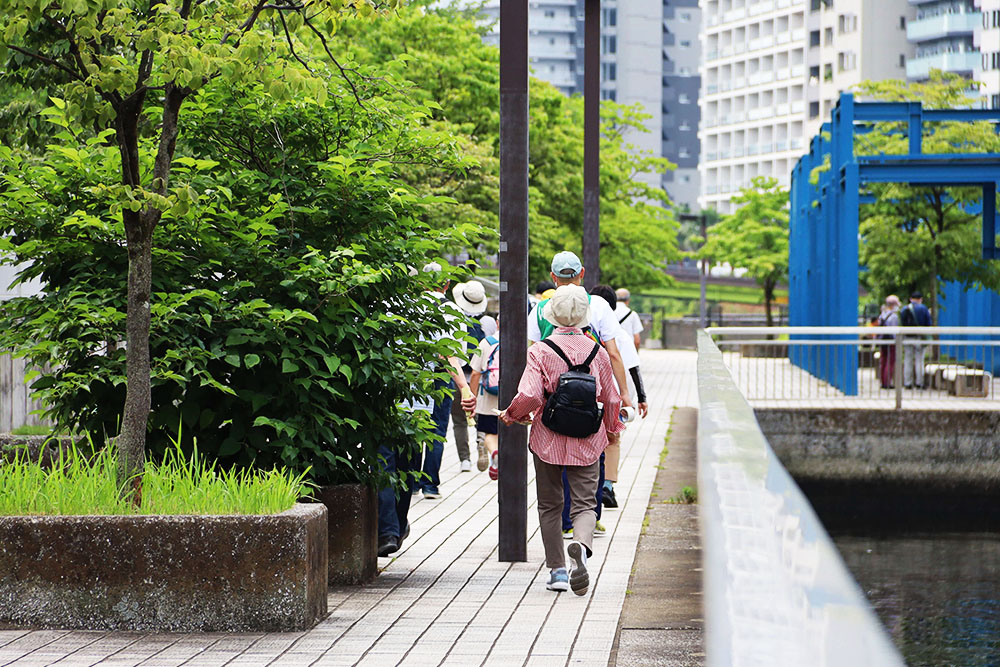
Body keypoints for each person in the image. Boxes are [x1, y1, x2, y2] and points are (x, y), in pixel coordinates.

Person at [500, 285, 625, 595]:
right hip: (587, 437)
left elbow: (530, 393)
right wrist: (611, 429)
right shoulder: (597, 351)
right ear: (585, 316)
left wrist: (514, 414)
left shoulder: (540, 351)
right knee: (585, 503)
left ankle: (556, 571)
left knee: (550, 504)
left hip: (548, 436)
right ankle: (580, 547)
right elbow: (611, 398)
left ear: (551, 315)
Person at [377, 266, 475, 556]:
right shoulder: (445, 313)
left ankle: (389, 530)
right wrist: (464, 388)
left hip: (384, 401)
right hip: (417, 403)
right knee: (408, 464)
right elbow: (446, 354)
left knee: (384, 463)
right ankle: (396, 525)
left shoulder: (386, 305)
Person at [529, 251, 633, 412]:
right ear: (582, 273)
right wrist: (624, 392)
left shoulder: (540, 309)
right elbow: (613, 353)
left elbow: (534, 358)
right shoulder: (599, 305)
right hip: (591, 393)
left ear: (553, 277)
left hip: (551, 398)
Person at [588, 285, 648, 511]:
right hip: (613, 395)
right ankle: (607, 486)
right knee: (612, 440)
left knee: (590, 438)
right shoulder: (620, 336)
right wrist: (639, 397)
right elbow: (633, 367)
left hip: (588, 392)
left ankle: (591, 486)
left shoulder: (584, 330)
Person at [418, 263, 474, 499]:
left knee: (413, 426)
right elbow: (455, 354)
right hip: (442, 376)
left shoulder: (411, 308)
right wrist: (464, 387)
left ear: (421, 283)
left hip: (414, 375)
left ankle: (409, 480)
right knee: (437, 429)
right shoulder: (453, 310)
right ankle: (430, 484)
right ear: (447, 285)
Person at [449, 280, 489, 472]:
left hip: (458, 375)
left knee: (459, 420)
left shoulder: (452, 319)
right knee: (480, 416)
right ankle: (482, 443)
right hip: (481, 376)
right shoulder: (486, 323)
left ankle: (464, 460)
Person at [469, 318, 501, 479]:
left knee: (489, 432)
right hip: (511, 398)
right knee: (508, 432)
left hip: (488, 397)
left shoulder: (486, 343)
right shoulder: (520, 342)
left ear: (497, 323)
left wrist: (471, 397)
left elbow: (475, 373)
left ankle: (495, 454)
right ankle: (505, 458)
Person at [900, 291, 932, 389]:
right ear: (920, 299)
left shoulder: (904, 309)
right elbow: (928, 323)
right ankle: (919, 382)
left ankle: (907, 383)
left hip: (907, 337)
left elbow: (902, 322)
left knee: (907, 360)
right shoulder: (923, 308)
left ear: (911, 299)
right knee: (919, 360)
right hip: (919, 337)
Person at [878, 295, 900, 389]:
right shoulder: (893, 316)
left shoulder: (882, 314)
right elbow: (894, 330)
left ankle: (883, 381)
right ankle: (887, 382)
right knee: (890, 362)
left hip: (882, 340)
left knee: (883, 361)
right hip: (891, 341)